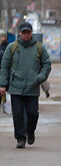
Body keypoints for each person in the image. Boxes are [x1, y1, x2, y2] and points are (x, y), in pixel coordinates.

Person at [0, 21, 51, 149]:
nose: (26, 34)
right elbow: (4, 67)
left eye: (28, 32)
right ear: (20, 33)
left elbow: (46, 64)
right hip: (16, 87)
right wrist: (3, 85)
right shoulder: (12, 48)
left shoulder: (39, 48)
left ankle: (30, 131)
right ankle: (20, 138)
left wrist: (40, 77)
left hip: (32, 88)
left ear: (31, 33)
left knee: (33, 114)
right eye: (24, 32)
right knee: (17, 114)